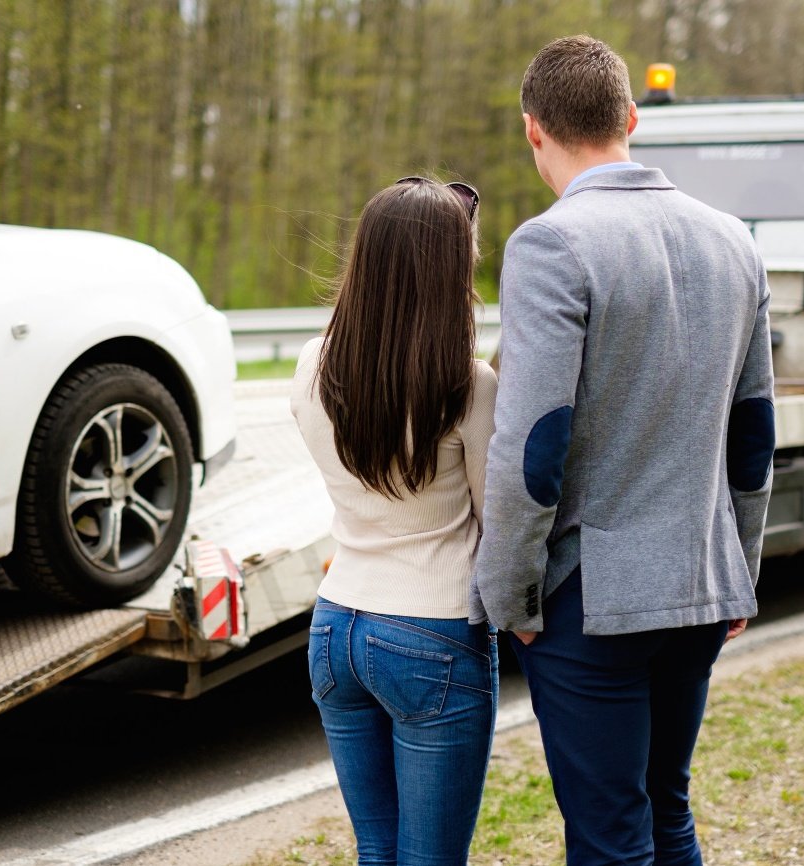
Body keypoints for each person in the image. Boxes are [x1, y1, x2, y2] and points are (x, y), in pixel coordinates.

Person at [470, 36, 775, 865]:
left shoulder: (550, 244)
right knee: (665, 813)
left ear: (533, 130)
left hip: (589, 600)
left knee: (609, 836)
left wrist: (508, 594)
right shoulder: (734, 241)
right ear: (631, 118)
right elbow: (754, 431)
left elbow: (534, 443)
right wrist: (739, 565)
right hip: (702, 587)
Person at [292, 176, 499, 866]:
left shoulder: (311, 367)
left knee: (377, 850)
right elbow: (495, 517)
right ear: (448, 274)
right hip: (432, 631)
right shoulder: (467, 386)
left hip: (335, 626)